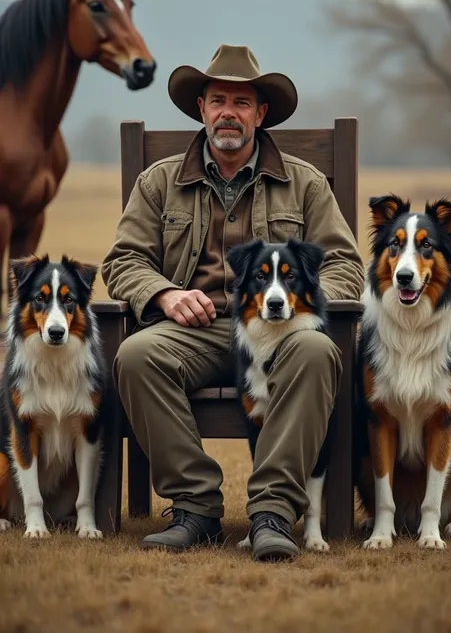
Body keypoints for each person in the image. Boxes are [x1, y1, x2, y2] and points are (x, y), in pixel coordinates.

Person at [101, 44, 365, 561]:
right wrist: (166, 293)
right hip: (194, 331)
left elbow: (346, 267)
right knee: (134, 356)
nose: (228, 112)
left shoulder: (305, 183)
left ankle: (272, 512)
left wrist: (301, 304)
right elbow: (123, 262)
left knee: (317, 352)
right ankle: (195, 507)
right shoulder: (158, 182)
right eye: (217, 99)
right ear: (200, 108)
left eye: (241, 102)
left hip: (281, 332)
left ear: (260, 114)